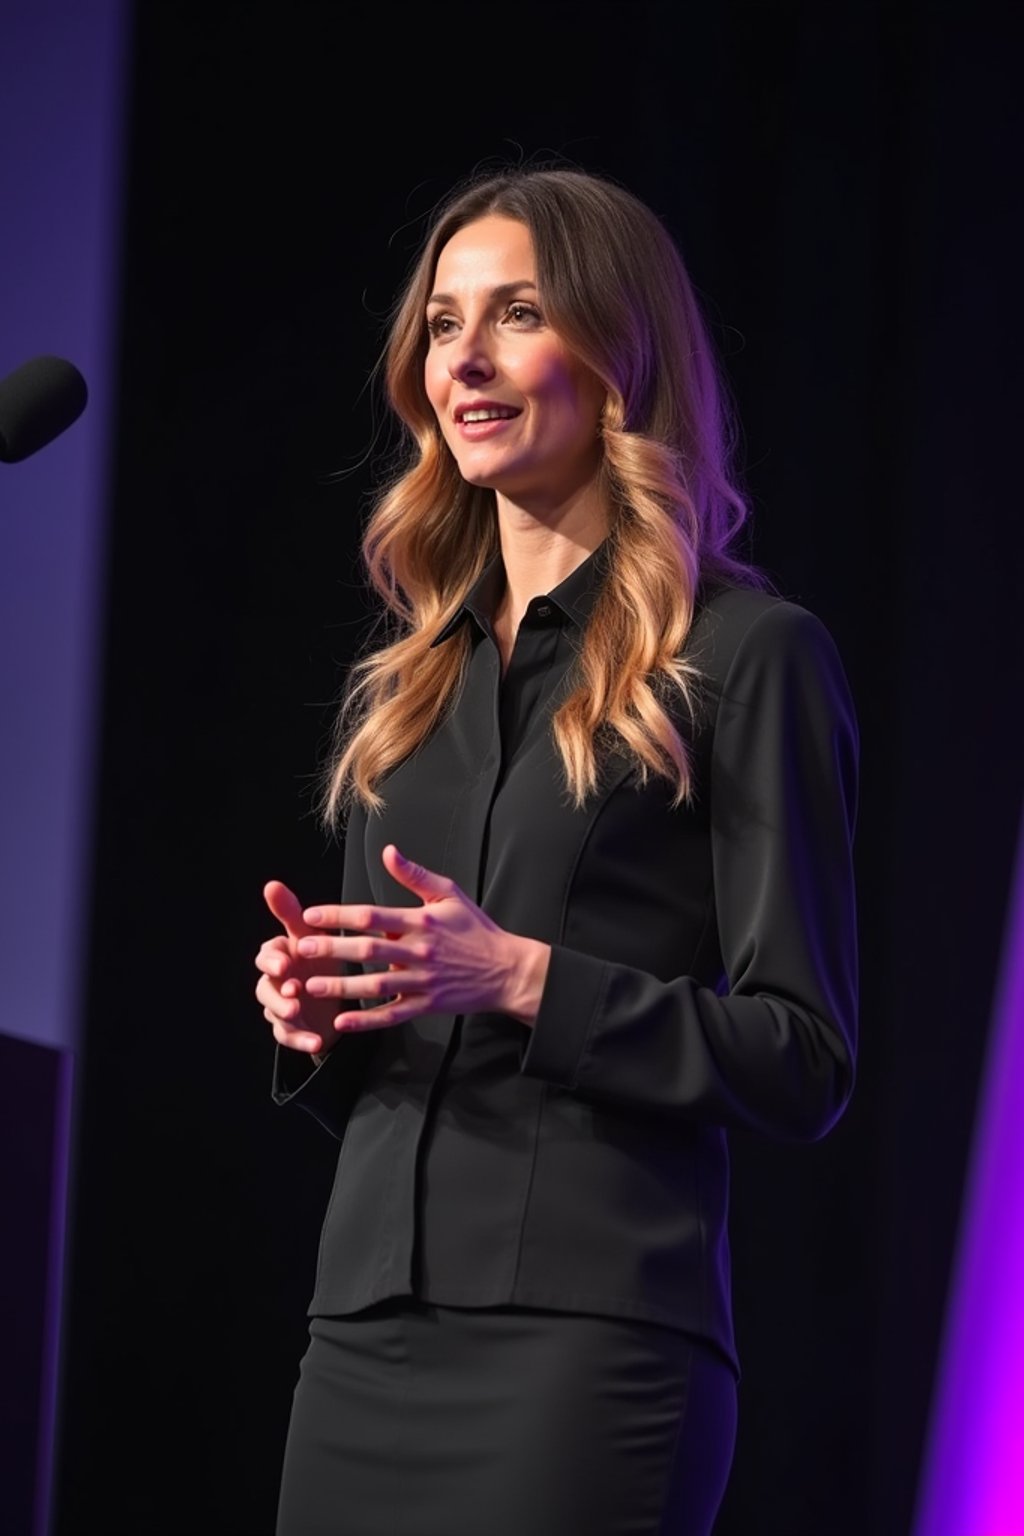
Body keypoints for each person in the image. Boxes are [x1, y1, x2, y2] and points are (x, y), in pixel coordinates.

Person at [254, 163, 859, 1536]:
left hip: (590, 1352)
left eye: (514, 313)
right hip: (359, 1330)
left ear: (618, 352)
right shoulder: (409, 689)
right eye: (441, 322)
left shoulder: (748, 658)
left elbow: (803, 1058)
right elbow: (390, 1041)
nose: (462, 356)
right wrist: (317, 1019)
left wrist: (525, 977)